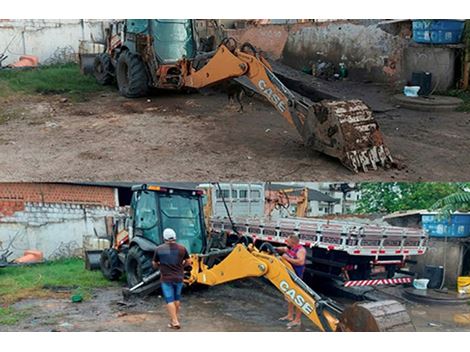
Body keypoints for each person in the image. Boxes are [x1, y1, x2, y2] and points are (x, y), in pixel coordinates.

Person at [152, 228, 191, 330]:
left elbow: (154, 263)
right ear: (175, 237)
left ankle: (175, 321)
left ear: (164, 238)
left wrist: (159, 265)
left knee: (170, 300)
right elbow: (188, 261)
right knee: (176, 299)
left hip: (166, 279)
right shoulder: (182, 248)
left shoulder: (159, 249)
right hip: (179, 278)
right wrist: (182, 266)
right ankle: (174, 319)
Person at [276, 234, 307, 328]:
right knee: (289, 295)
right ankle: (290, 316)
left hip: (296, 276)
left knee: (297, 297)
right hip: (289, 276)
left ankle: (297, 320)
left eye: (288, 241)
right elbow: (283, 249)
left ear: (293, 243)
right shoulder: (291, 248)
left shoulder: (300, 250)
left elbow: (301, 262)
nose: (286, 242)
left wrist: (287, 258)